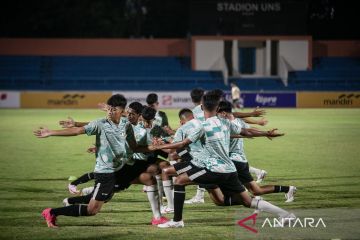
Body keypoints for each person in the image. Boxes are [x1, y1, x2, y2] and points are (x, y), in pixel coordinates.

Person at [152, 92, 295, 228]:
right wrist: (265, 133)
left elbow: (182, 144)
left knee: (179, 181)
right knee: (241, 201)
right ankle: (284, 214)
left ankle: (177, 220)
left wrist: (157, 146)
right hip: (230, 169)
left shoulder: (203, 126)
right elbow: (245, 131)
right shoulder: (225, 123)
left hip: (213, 169)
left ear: (202, 108)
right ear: (218, 108)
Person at [34, 95, 160, 228]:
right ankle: (52, 212)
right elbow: (77, 131)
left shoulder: (126, 125)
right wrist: (51, 132)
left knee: (147, 179)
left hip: (120, 169)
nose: (110, 112)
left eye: (114, 109)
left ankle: (158, 216)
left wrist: (154, 147)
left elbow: (134, 147)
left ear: (122, 111)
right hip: (105, 173)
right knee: (92, 210)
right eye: (109, 109)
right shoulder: (100, 124)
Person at [213, 101, 296, 203]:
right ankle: (288, 189)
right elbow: (250, 130)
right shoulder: (238, 121)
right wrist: (264, 133)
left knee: (218, 182)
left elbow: (239, 132)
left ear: (223, 113)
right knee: (256, 190)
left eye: (217, 112)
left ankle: (255, 202)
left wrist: (263, 133)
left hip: (233, 160)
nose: (216, 115)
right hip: (240, 160)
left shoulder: (226, 124)